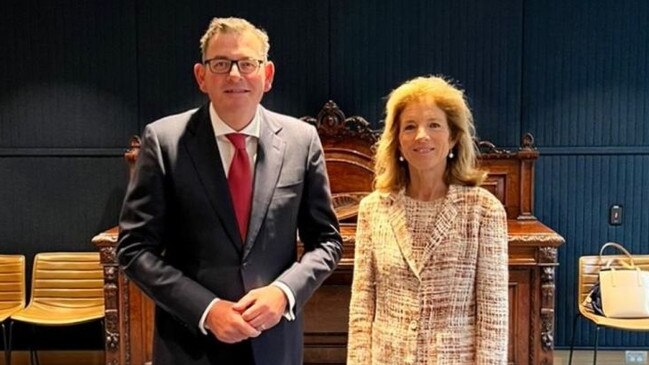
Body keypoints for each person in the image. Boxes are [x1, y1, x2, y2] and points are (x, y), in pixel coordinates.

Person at [117, 17, 342, 365]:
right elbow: (133, 250)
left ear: (266, 75)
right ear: (201, 76)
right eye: (221, 64)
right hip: (190, 345)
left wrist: (283, 294)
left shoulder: (302, 141)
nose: (235, 75)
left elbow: (326, 242)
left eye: (247, 63)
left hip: (274, 343)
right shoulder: (163, 142)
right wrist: (206, 309)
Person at [347, 76, 508, 364]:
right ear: (397, 140)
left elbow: (493, 317)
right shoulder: (373, 209)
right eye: (410, 126)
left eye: (434, 124)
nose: (421, 135)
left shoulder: (484, 211)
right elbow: (361, 306)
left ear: (453, 137)